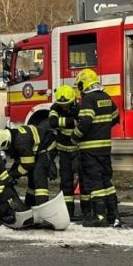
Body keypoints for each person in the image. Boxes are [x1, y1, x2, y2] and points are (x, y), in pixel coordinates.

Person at [73, 68, 121, 228]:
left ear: (83, 84)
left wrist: (75, 136)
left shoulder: (88, 99)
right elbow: (115, 118)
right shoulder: (106, 97)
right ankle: (113, 215)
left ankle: (99, 216)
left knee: (94, 183)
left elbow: (85, 121)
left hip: (89, 149)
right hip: (105, 148)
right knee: (106, 180)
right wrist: (102, 128)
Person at [49, 85, 86, 220]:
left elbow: (82, 123)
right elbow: (52, 122)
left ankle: (86, 211)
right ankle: (68, 212)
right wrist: (71, 121)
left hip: (78, 150)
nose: (64, 107)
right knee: (66, 182)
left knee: (83, 180)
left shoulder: (79, 108)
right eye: (62, 105)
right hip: (64, 151)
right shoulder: (55, 108)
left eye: (67, 104)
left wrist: (63, 122)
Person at [6, 121, 54, 208]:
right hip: (38, 149)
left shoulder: (21, 143)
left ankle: (42, 208)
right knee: (32, 177)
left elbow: (28, 165)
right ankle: (30, 204)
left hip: (46, 147)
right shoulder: (14, 136)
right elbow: (21, 160)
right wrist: (11, 174)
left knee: (38, 175)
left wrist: (13, 175)